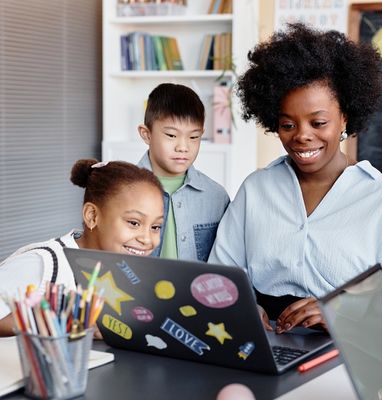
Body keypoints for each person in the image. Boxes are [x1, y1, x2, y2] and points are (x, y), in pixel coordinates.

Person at [209, 23, 382, 334]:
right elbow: (220, 275)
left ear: (345, 117)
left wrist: (343, 312)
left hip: (351, 348)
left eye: (318, 122)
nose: (302, 136)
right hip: (266, 341)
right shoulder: (256, 190)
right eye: (287, 125)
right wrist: (246, 307)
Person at [0, 159, 164, 336]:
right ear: (92, 216)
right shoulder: (42, 262)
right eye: (134, 223)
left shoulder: (127, 271)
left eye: (155, 227)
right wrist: (70, 323)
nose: (147, 239)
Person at [137, 82, 229, 261]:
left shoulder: (217, 197)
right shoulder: (121, 190)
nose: (183, 147)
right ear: (146, 134)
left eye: (194, 137)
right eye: (171, 135)